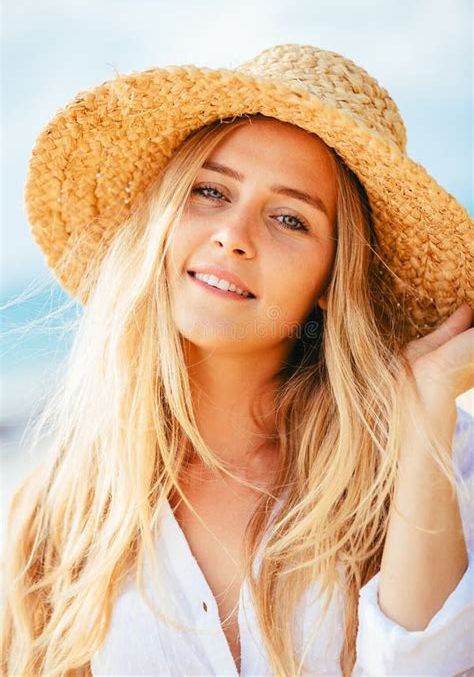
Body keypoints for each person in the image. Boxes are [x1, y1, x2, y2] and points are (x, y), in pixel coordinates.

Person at [1, 44, 473, 676]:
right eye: (209, 191)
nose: (232, 234)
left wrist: (423, 419)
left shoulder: (439, 464)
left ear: (333, 281)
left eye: (289, 218)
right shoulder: (57, 512)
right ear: (163, 222)